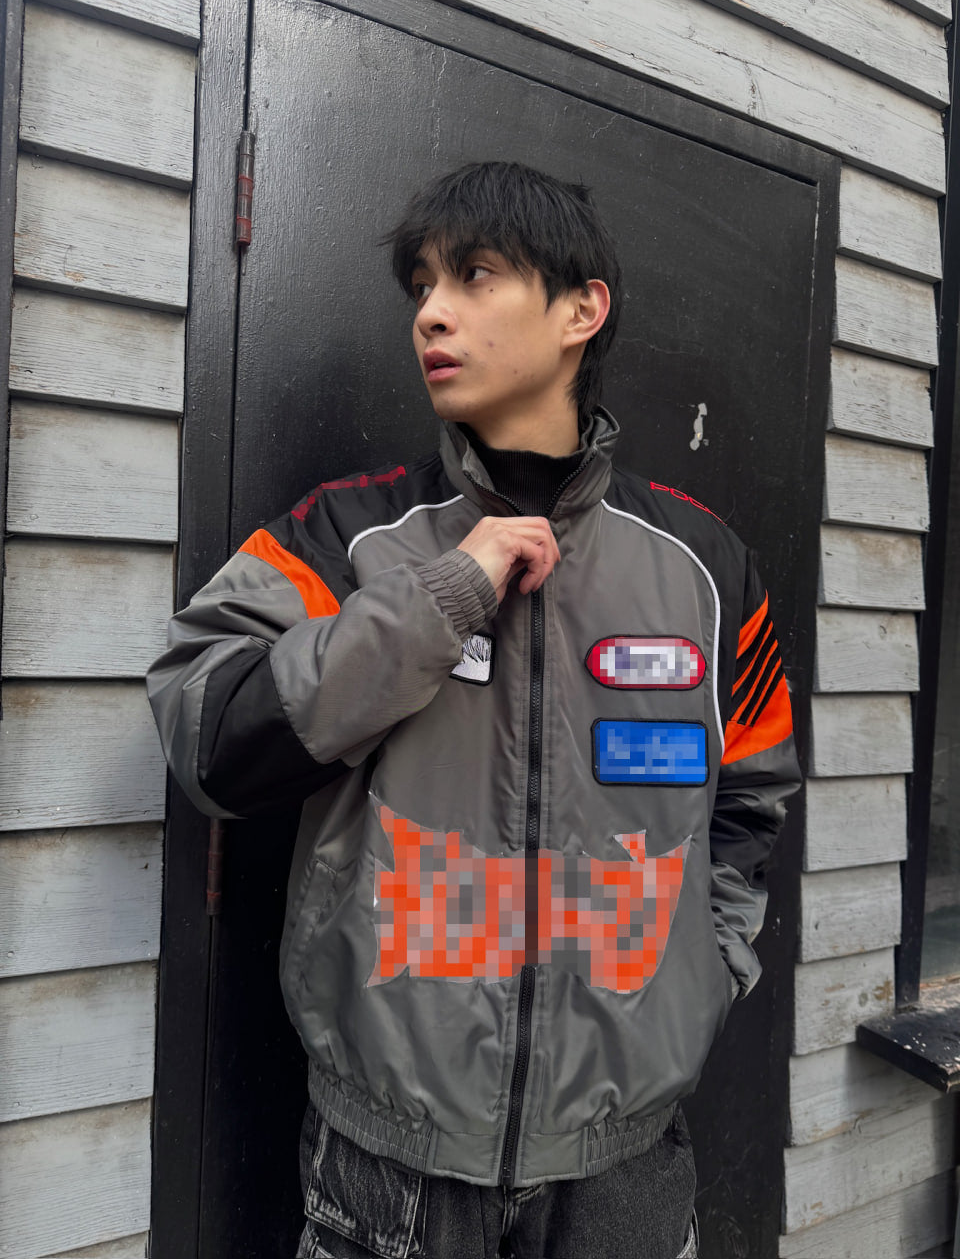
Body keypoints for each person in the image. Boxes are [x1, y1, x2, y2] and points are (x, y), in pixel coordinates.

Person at [147, 161, 800, 1259]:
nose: (431, 313)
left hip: (626, 1165)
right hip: (388, 1163)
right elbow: (208, 732)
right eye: (422, 286)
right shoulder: (347, 537)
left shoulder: (704, 564)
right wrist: (443, 597)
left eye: (476, 274)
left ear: (581, 310)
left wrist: (707, 973)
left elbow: (752, 800)